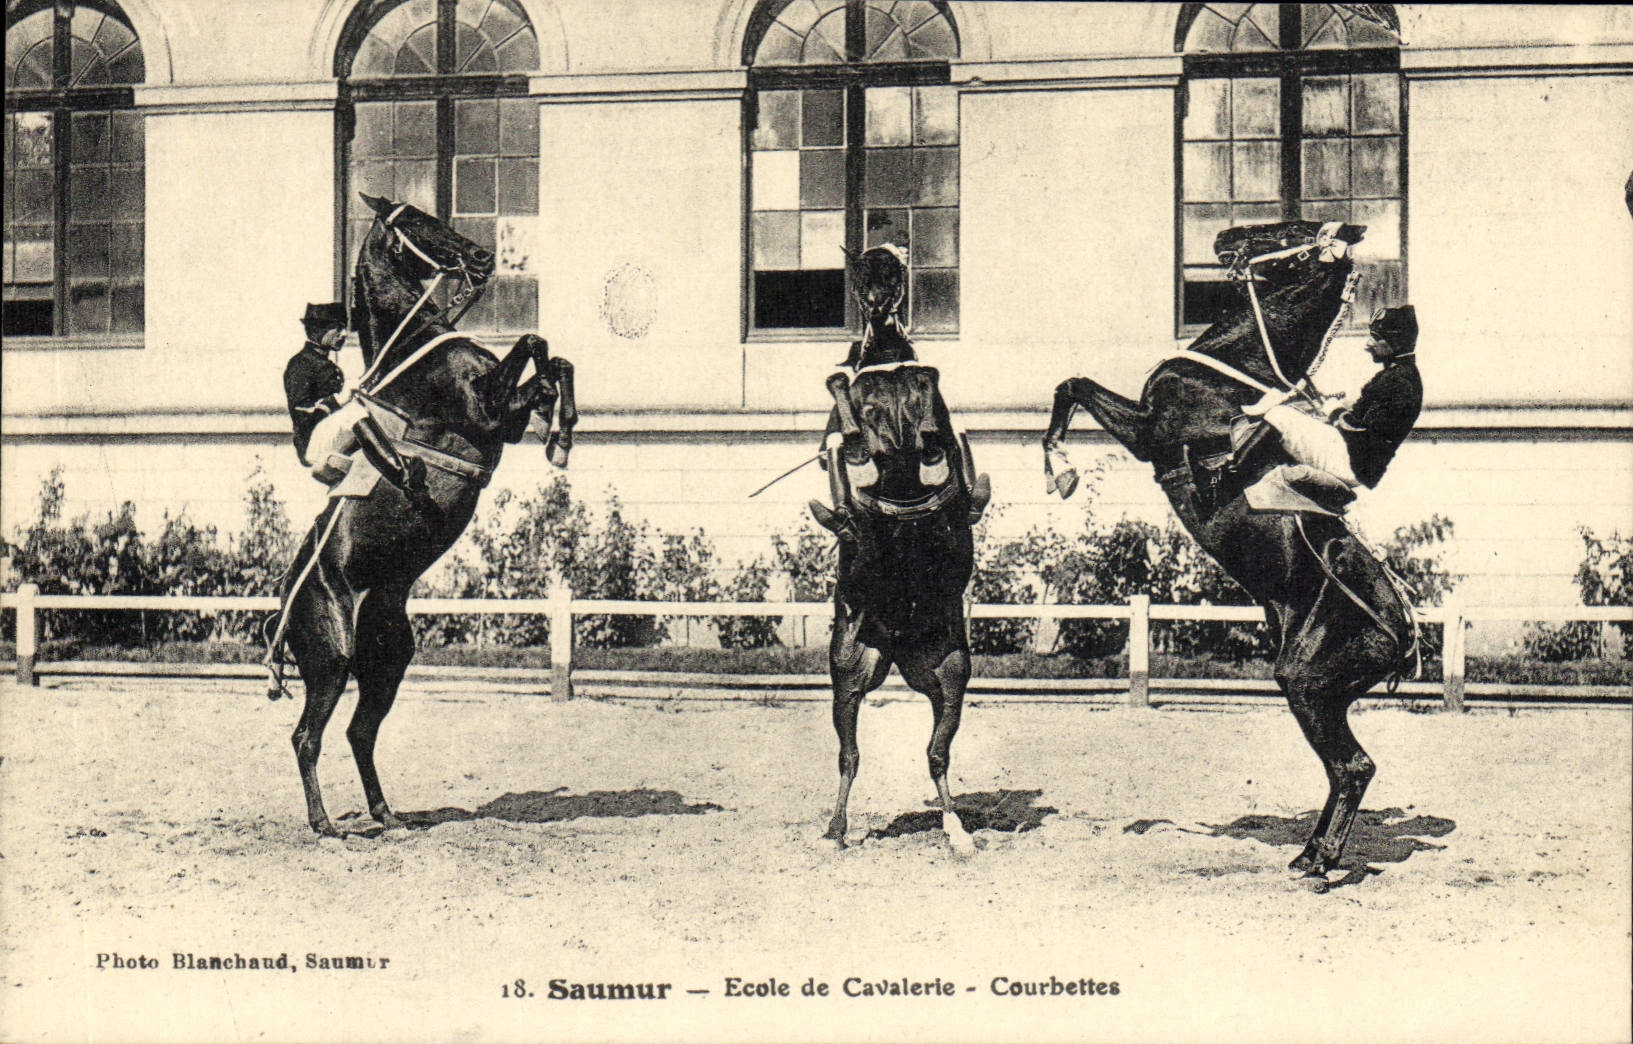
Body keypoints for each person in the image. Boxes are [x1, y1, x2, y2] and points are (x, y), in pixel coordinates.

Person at [1244, 304, 1422, 492]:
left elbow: (1362, 432)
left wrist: (1335, 411)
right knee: (1293, 412)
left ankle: (1229, 475)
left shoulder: (1400, 382)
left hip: (1352, 463)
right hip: (1354, 458)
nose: (1368, 344)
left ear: (1397, 343)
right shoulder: (1399, 375)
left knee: (1280, 415)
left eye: (1376, 338)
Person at [283, 301, 429, 502]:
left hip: (331, 434)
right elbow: (302, 415)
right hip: (311, 442)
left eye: (344, 328)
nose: (343, 334)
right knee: (353, 411)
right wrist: (338, 400)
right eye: (337, 328)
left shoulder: (324, 363)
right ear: (318, 330)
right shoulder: (300, 365)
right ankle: (402, 474)